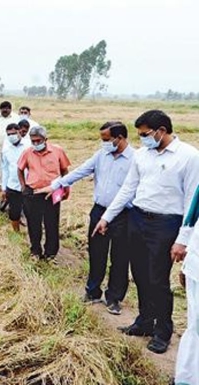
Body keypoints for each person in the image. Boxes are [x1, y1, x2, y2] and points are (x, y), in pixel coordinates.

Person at [93, 110, 199, 354]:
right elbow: (128, 188)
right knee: (139, 274)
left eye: (145, 134)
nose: (141, 139)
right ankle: (144, 321)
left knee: (157, 279)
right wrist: (106, 217)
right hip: (138, 219)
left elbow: (192, 202)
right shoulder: (141, 155)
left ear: (161, 131)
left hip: (166, 225)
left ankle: (163, 331)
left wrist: (183, 240)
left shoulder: (189, 157)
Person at [35, 121, 135, 315]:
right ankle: (93, 291)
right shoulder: (101, 155)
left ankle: (114, 298)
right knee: (96, 252)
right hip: (99, 211)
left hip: (124, 214)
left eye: (106, 139)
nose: (103, 143)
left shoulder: (136, 159)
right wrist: (56, 185)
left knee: (120, 257)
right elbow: (80, 171)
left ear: (120, 138)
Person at [17, 126, 71, 259]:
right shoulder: (27, 152)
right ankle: (35, 250)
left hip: (55, 191)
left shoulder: (57, 151)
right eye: (33, 141)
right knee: (33, 223)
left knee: (52, 222)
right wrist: (23, 186)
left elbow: (64, 170)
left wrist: (66, 188)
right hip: (33, 191)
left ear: (45, 139)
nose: (35, 144)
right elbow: (19, 169)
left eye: (38, 141)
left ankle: (51, 253)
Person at [175, 186, 199, 384]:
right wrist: (186, 260)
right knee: (195, 323)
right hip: (196, 264)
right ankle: (187, 377)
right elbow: (193, 215)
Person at [1, 123, 30, 232]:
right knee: (14, 212)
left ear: (19, 132)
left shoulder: (29, 146)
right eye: (9, 134)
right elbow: (5, 169)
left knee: (31, 211)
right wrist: (4, 188)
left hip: (29, 184)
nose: (11, 136)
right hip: (12, 185)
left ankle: (32, 233)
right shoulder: (6, 149)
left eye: (13, 133)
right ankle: (16, 233)